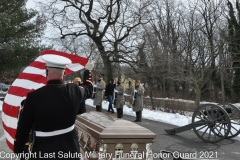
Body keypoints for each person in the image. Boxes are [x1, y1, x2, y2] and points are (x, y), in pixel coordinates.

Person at [14, 54, 93, 160]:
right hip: (70, 149)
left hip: (43, 150)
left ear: (46, 72)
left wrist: (18, 151)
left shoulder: (33, 97)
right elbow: (89, 88)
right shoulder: (74, 91)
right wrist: (88, 71)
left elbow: (23, 130)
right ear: (64, 73)